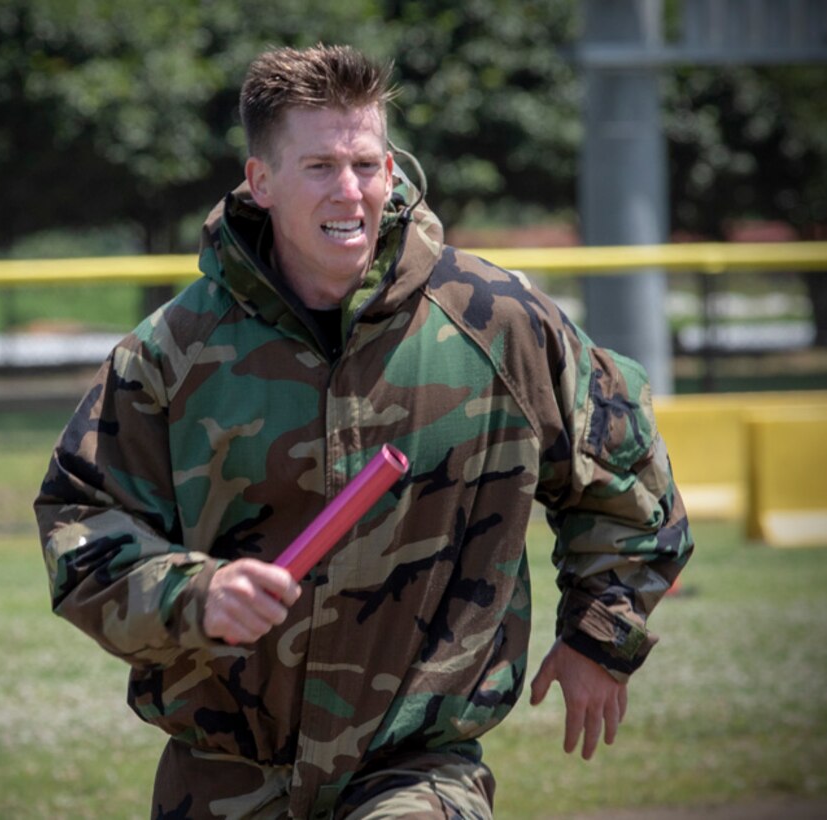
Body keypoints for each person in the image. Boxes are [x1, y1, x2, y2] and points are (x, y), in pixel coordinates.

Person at [34, 44, 693, 820]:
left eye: (367, 163)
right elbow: (81, 525)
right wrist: (193, 593)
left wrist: (598, 637)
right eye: (319, 167)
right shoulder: (171, 351)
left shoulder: (498, 322)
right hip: (221, 776)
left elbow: (626, 479)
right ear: (261, 183)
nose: (351, 191)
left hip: (416, 770)